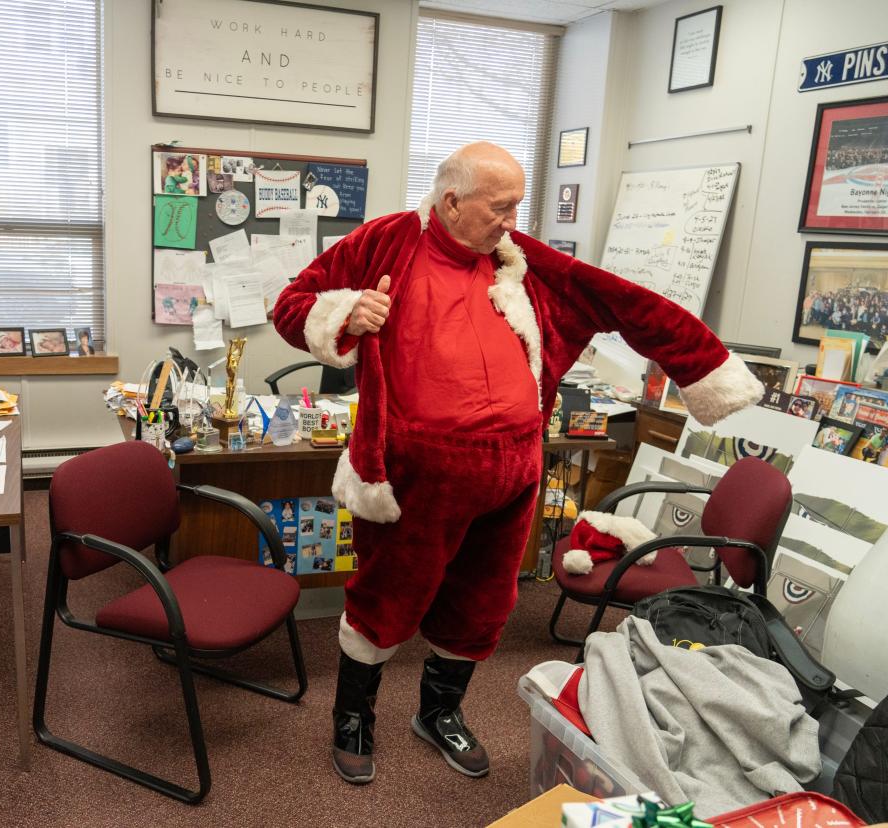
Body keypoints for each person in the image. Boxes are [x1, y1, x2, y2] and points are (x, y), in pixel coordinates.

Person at [273, 141, 763, 785]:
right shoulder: (386, 242)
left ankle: (439, 711)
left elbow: (622, 300)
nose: (512, 222)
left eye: (516, 208)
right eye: (499, 208)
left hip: (512, 471)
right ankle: (354, 718)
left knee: (482, 604)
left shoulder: (520, 260)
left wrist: (703, 367)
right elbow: (290, 303)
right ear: (452, 201)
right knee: (386, 599)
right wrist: (344, 311)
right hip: (416, 474)